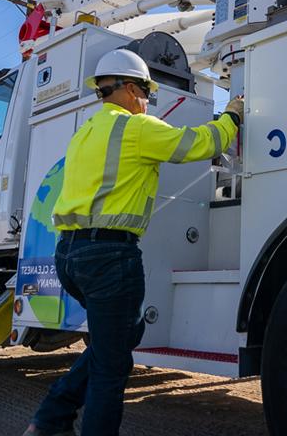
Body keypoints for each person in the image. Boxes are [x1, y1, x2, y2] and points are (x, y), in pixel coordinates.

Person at [25, 48, 243, 436]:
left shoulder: (86, 132)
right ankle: (49, 421)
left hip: (71, 255)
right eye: (146, 93)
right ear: (128, 88)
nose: (147, 101)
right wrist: (233, 116)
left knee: (121, 339)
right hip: (110, 257)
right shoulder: (134, 128)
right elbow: (200, 144)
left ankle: (51, 418)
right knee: (112, 366)